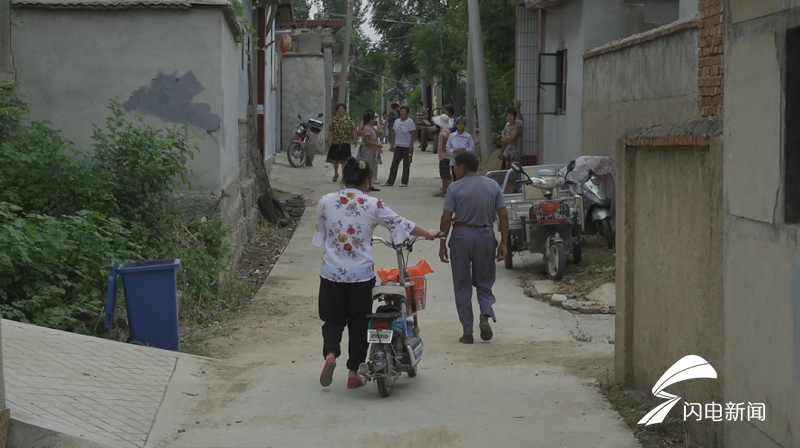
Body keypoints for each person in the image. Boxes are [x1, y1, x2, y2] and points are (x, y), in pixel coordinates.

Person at [313, 158, 441, 388]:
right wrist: (429, 233)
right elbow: (402, 224)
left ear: (344, 177)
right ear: (367, 180)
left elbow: (321, 234)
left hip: (331, 273)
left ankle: (331, 354)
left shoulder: (325, 202)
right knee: (359, 323)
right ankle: (354, 372)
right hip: (361, 276)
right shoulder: (373, 204)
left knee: (332, 320)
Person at [438, 151, 509, 344]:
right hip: (486, 236)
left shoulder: (454, 188)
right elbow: (503, 215)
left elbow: (446, 217)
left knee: (462, 284)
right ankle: (485, 314)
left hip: (461, 236)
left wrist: (442, 243)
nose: (453, 170)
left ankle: (467, 331)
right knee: (484, 280)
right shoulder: (492, 185)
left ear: (461, 167)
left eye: (455, 166)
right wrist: (503, 242)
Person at [386, 105, 416, 187]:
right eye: (401, 111)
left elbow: (413, 133)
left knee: (406, 164)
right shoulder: (397, 121)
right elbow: (394, 133)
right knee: (394, 163)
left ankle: (404, 182)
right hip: (398, 145)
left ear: (407, 113)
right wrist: (392, 143)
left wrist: (411, 145)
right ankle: (390, 181)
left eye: (404, 112)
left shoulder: (410, 122)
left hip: (406, 145)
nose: (402, 113)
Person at [326, 103, 356, 182]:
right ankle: (336, 173)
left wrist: (355, 139)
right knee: (335, 160)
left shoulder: (348, 120)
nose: (341, 110)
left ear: (344, 110)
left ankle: (344, 175)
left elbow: (353, 129)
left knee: (345, 161)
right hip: (336, 142)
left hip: (345, 142)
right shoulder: (334, 120)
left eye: (342, 109)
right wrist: (329, 139)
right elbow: (330, 130)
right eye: (339, 109)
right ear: (337, 111)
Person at [446, 117, 476, 182]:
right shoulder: (452, 136)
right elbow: (448, 148)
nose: (460, 125)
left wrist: (466, 150)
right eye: (458, 124)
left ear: (464, 125)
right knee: (455, 178)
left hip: (465, 161)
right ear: (456, 125)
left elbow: (472, 148)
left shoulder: (468, 136)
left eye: (462, 124)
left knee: (465, 178)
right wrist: (454, 150)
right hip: (454, 160)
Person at [359, 112, 383, 192]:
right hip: (367, 153)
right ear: (370, 119)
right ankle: (365, 186)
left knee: (371, 170)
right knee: (366, 170)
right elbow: (367, 142)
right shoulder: (367, 129)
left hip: (372, 152)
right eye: (373, 118)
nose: (374, 120)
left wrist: (377, 148)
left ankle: (371, 185)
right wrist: (377, 145)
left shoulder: (371, 128)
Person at [432, 114, 453, 198]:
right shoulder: (447, 130)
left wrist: (444, 148)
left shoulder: (444, 131)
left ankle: (448, 191)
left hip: (445, 155)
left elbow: (445, 140)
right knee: (444, 174)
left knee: (446, 174)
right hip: (443, 155)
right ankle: (444, 190)